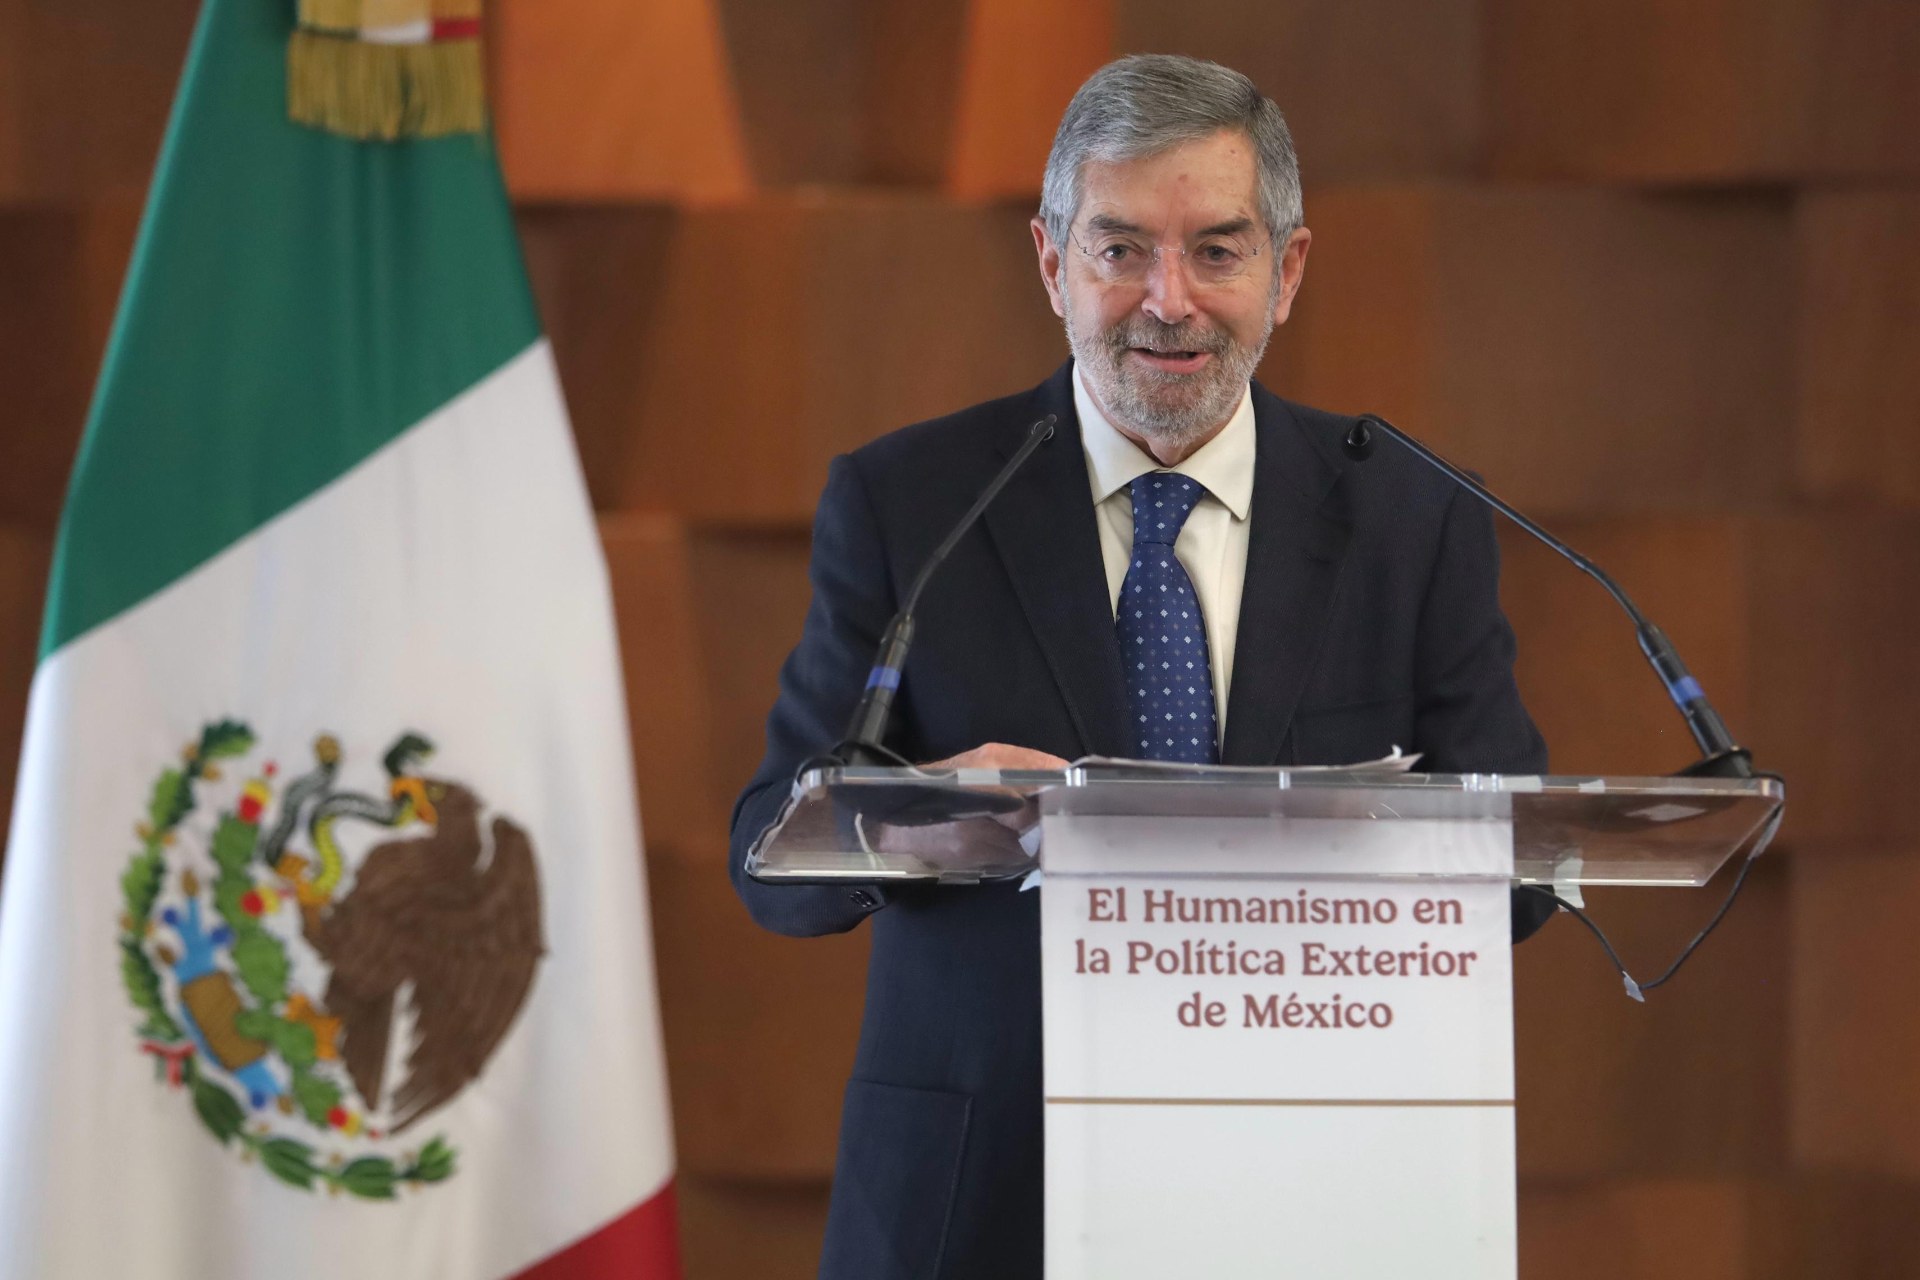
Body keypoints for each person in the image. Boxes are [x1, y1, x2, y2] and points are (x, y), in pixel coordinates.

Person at [729, 53, 1552, 1280]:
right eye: (1120, 250)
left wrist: (1352, 844)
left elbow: (1522, 878)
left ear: (1288, 271)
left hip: (1316, 1181)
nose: (1169, 300)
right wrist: (926, 818)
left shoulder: (1413, 514)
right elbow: (768, 858)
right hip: (981, 1200)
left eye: (1218, 250)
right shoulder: (912, 502)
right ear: (1052, 263)